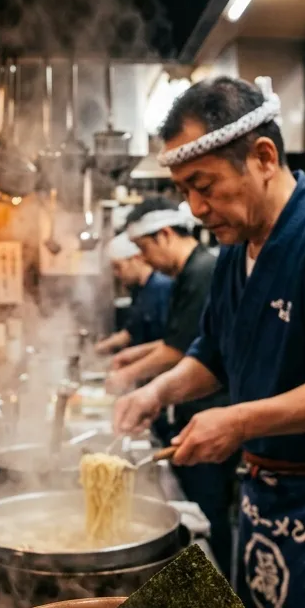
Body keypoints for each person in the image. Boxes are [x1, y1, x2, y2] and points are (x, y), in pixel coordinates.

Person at [115, 77, 305, 608]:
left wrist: (238, 422)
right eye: (184, 191)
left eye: (204, 185)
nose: (195, 208)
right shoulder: (234, 253)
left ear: (264, 157)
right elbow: (213, 354)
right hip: (264, 498)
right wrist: (155, 393)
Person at [108, 197, 238, 581]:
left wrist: (139, 383)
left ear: (165, 235)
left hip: (211, 416)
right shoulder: (190, 273)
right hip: (195, 411)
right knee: (206, 510)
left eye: (144, 248)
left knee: (210, 515)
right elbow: (181, 343)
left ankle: (220, 588)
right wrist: (148, 386)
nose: (144, 259)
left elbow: (180, 351)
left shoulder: (203, 271)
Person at [94, 231, 173, 356]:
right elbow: (131, 332)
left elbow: (170, 341)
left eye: (118, 267)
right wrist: (100, 347)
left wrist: (128, 356)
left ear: (136, 259)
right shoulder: (139, 290)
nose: (116, 274)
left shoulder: (161, 287)